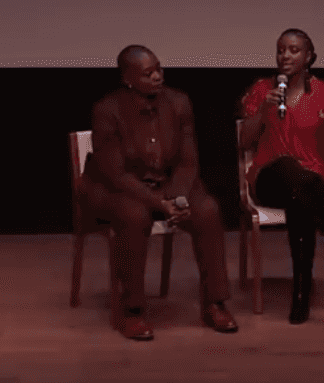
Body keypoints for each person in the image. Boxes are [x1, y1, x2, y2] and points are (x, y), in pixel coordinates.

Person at [82, 45, 237, 340]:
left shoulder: (179, 102)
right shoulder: (107, 109)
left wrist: (176, 198)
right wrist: (159, 203)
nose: (157, 76)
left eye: (158, 68)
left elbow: (189, 161)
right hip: (116, 188)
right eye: (147, 73)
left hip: (165, 184)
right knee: (134, 215)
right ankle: (133, 311)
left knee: (206, 209)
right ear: (127, 78)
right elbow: (115, 174)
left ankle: (215, 303)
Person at [238, 28, 324, 324]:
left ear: (309, 57)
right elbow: (244, 143)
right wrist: (261, 112)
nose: (285, 56)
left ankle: (301, 296)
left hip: (317, 179)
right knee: (288, 167)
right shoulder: (263, 90)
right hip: (269, 177)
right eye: (280, 50)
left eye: (293, 50)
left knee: (302, 196)